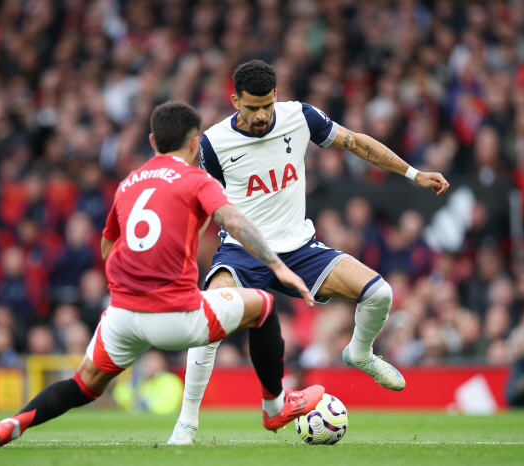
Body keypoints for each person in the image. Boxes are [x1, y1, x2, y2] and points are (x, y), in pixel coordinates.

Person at [0, 102, 324, 449]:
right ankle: (275, 408)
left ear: (153, 142)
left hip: (122, 316)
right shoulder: (198, 180)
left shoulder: (128, 184)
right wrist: (278, 266)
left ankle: (13, 423)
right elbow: (232, 220)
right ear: (195, 143)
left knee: (84, 384)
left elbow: (108, 248)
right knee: (262, 306)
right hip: (176, 317)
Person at [168, 60, 450, 444]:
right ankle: (186, 423)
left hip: (299, 247)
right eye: (252, 108)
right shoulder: (214, 144)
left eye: (268, 104)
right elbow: (201, 203)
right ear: (235, 101)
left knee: (380, 293)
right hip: (243, 251)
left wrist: (413, 173)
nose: (263, 115)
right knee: (209, 319)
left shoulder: (300, 117)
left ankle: (360, 353)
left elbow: (355, 142)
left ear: (276, 96)